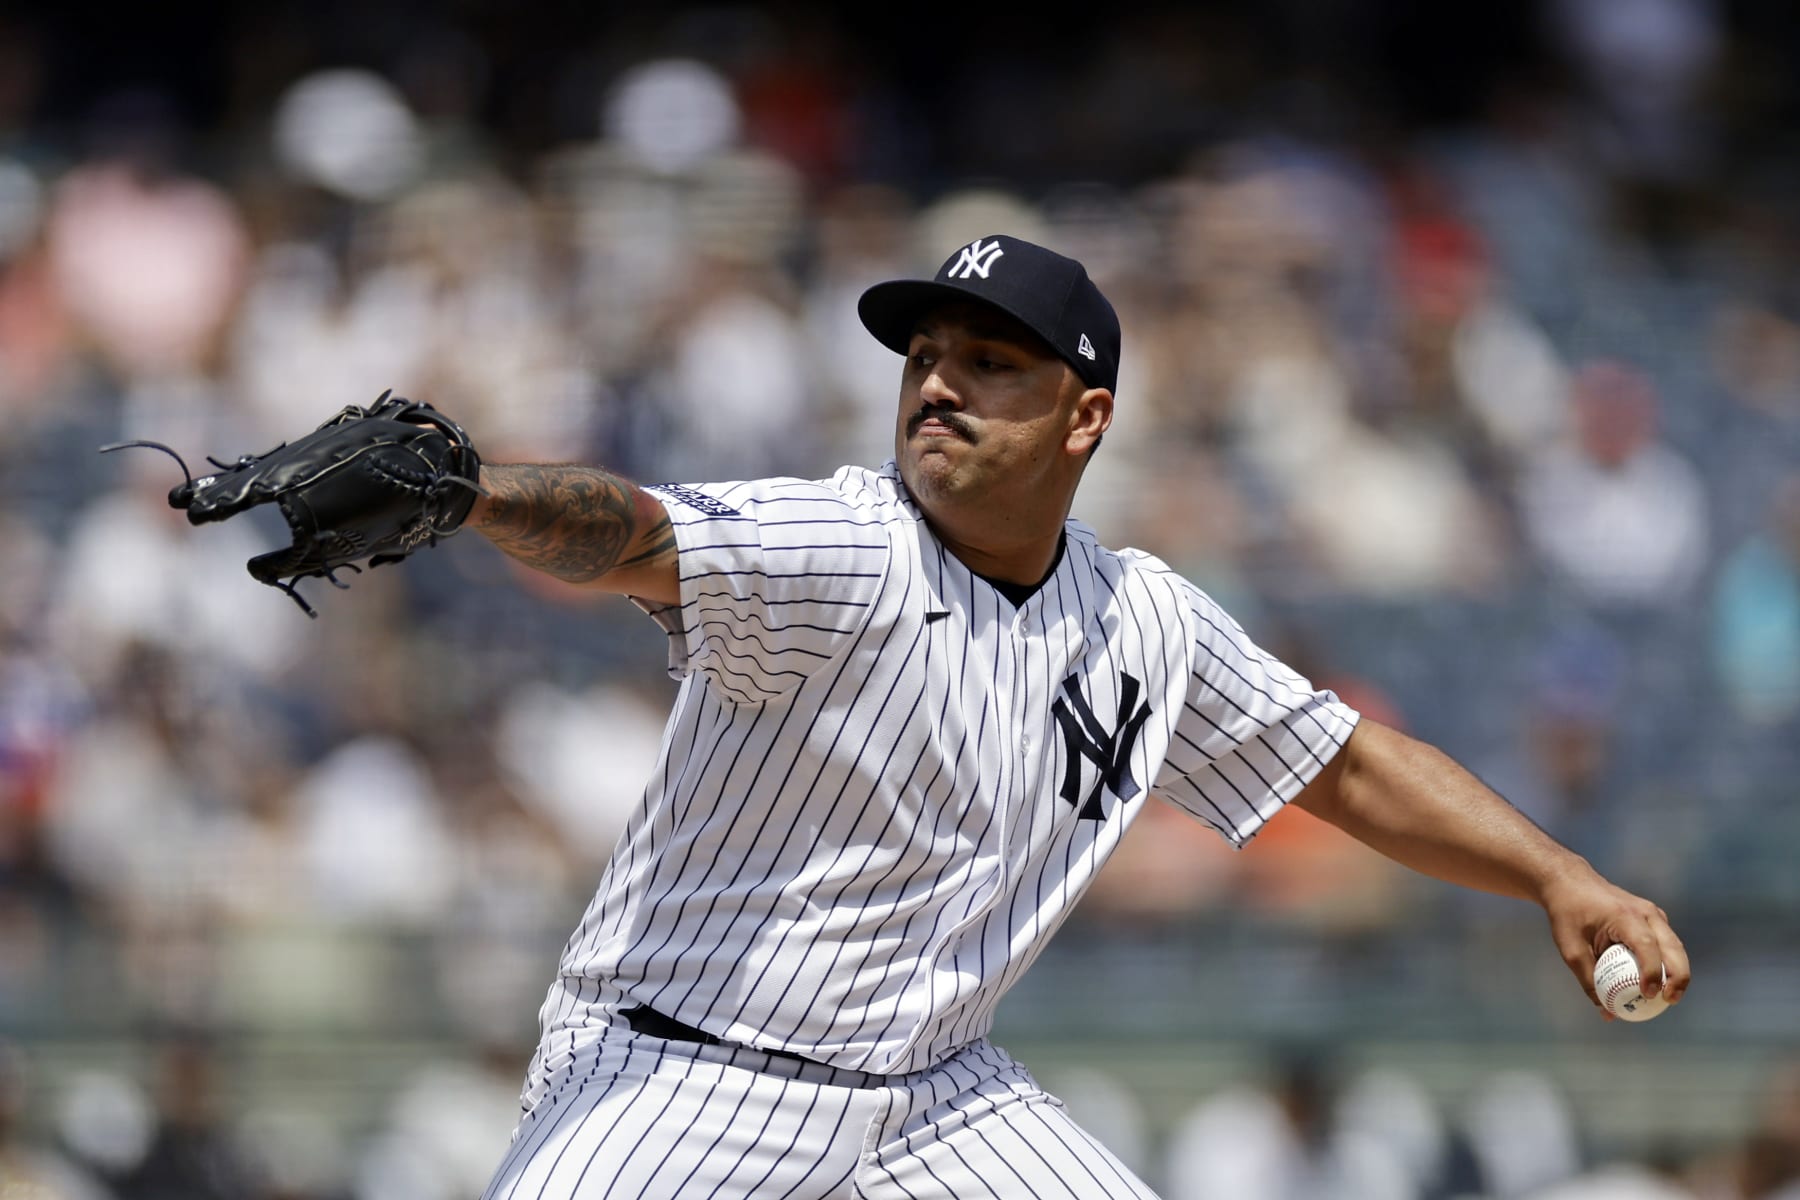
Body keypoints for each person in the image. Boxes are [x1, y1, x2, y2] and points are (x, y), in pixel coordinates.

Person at [464, 234, 1689, 1198]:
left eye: (990, 364)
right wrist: (464, 492)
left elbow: (1347, 768)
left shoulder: (1145, 619)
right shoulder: (845, 541)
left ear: (1085, 418)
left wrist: (1556, 877)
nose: (938, 383)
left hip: (933, 1098)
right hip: (684, 1065)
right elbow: (635, 531)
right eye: (925, 355)